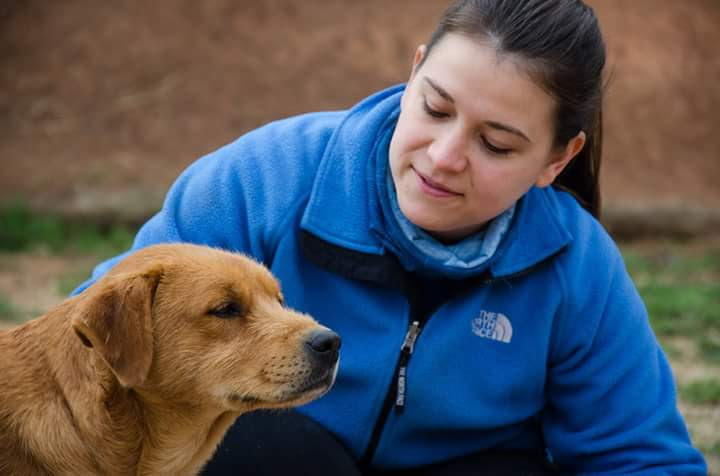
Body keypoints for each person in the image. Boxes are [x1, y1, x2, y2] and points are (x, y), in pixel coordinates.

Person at [74, 0, 707, 474]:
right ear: (415, 69)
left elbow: (640, 459)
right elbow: (88, 347)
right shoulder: (262, 179)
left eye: (496, 144)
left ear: (557, 161)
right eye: (434, 107)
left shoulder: (580, 267)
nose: (444, 155)